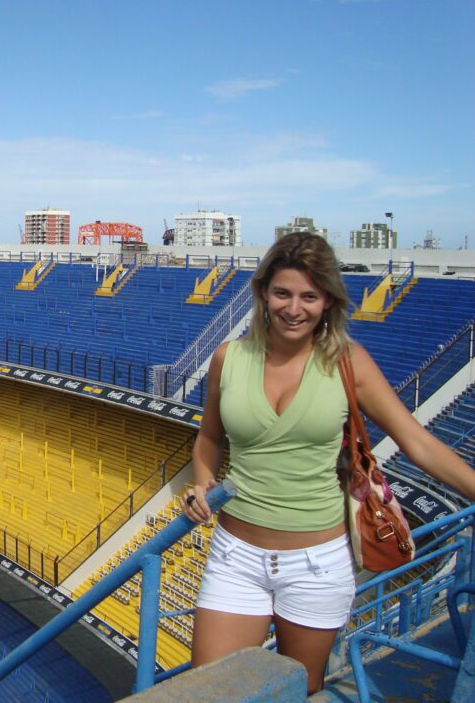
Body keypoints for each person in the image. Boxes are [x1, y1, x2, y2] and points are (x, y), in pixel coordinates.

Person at [179, 232, 475, 694]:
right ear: (262, 293)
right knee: (211, 690)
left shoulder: (347, 362)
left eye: (308, 296)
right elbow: (209, 439)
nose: (294, 308)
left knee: (300, 688)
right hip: (235, 556)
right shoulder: (228, 357)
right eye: (282, 293)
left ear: (327, 302)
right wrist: (202, 483)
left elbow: (416, 442)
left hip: (316, 565)